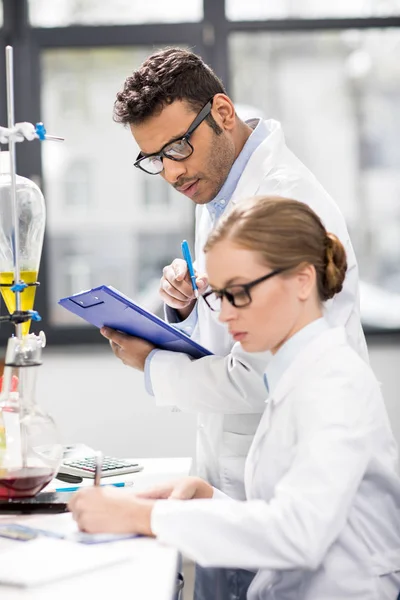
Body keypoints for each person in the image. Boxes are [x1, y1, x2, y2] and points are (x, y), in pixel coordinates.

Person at [101, 47, 368, 598]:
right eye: (154, 158)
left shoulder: (284, 203)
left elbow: (257, 375)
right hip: (235, 488)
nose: (171, 172)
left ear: (222, 113)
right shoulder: (215, 182)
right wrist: (186, 302)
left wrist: (153, 364)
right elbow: (232, 326)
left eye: (176, 148)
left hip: (291, 528)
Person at [70, 197, 400, 600]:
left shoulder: (335, 384)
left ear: (301, 280)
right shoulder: (295, 374)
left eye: (239, 293)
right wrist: (209, 499)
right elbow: (285, 512)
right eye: (220, 296)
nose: (225, 316)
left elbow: (298, 533)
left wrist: (145, 516)